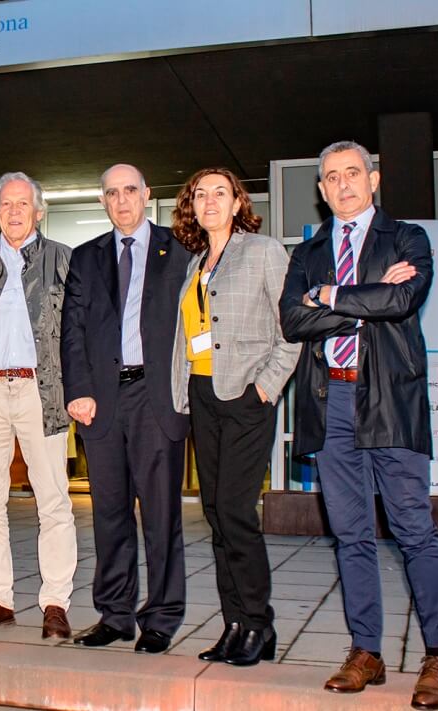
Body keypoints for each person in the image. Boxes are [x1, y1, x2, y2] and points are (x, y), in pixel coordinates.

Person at [280, 141, 438, 707]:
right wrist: (367, 297)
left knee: (414, 528)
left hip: (389, 398)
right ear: (321, 189)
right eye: (331, 177)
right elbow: (291, 320)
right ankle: (367, 652)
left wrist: (329, 297)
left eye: (352, 173)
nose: (343, 184)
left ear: (374, 179)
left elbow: (404, 298)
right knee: (351, 534)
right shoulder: (308, 252)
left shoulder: (405, 238)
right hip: (329, 400)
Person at [169, 168, 300, 665]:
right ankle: (235, 624)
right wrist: (182, 391)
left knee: (238, 512)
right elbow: (189, 337)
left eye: (219, 193)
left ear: (237, 201)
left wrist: (266, 387)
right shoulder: (196, 263)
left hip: (245, 396)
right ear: (192, 207)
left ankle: (259, 624)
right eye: (199, 195)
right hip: (203, 395)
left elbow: (292, 329)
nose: (209, 201)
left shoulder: (262, 251)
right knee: (216, 514)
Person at [60, 164, 191, 651]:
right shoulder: (86, 258)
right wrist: (79, 388)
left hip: (156, 398)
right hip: (102, 400)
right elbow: (70, 330)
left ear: (147, 194)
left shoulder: (179, 251)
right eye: (111, 193)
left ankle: (161, 616)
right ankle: (115, 615)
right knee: (109, 513)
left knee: (161, 516)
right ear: (103, 201)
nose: (121, 201)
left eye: (130, 190)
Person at [0, 172, 77, 639]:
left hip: (41, 392)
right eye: (6, 204)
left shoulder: (63, 261)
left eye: (22, 204)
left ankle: (55, 603)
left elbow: (75, 334)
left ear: (39, 211)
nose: (13, 211)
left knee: (54, 502)